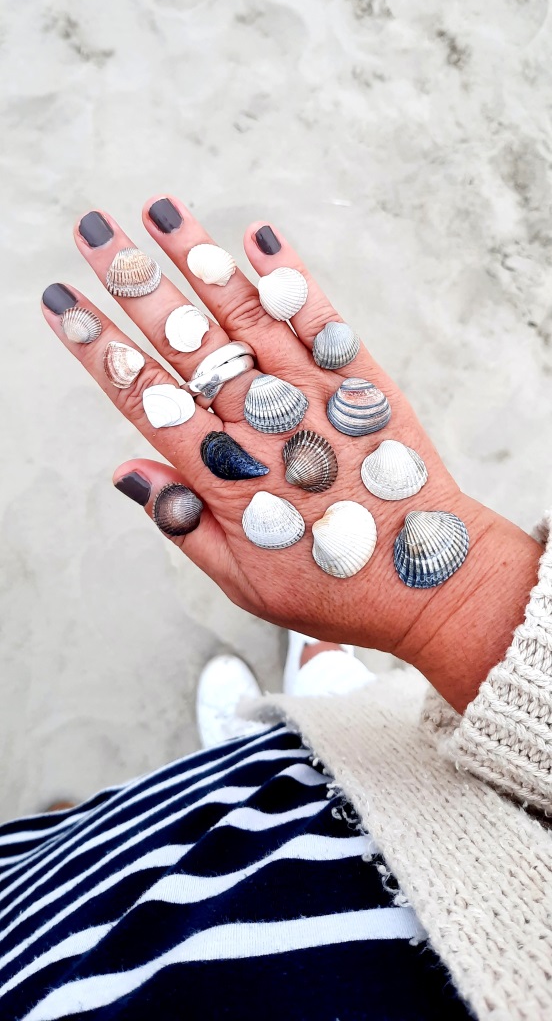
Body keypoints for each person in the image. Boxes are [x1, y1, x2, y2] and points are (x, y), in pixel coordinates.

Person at [0, 195, 549, 1020]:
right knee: (183, 816)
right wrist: (464, 602)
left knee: (99, 887)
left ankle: (127, 824)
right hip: (439, 803)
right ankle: (198, 784)